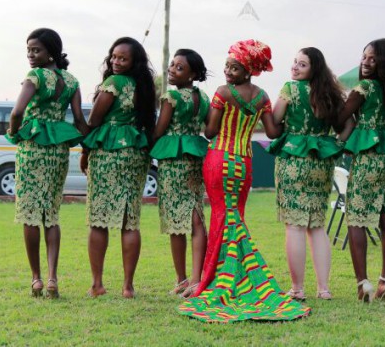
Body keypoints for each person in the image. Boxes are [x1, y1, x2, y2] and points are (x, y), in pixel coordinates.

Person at [179, 39, 310, 322]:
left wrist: (199, 116)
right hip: (244, 162)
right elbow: (273, 132)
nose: (227, 71)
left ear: (247, 69)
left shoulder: (223, 93)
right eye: (227, 65)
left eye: (234, 67)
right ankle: (235, 274)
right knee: (235, 217)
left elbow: (211, 131)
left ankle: (213, 279)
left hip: (219, 159)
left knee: (220, 219)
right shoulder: (262, 95)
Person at [6, 28, 88, 298]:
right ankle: (53, 278)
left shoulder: (35, 76)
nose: (31, 55)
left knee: (30, 214)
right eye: (28, 50)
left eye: (36, 50)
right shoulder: (72, 81)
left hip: (32, 149)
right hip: (57, 153)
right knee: (51, 216)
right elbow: (78, 120)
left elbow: (17, 111)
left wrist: (14, 132)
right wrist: (89, 146)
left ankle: (37, 279)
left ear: (51, 52)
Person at [267, 47, 346, 301]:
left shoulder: (290, 89)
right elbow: (348, 124)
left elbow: (275, 121)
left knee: (295, 226)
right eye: (294, 62)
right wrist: (338, 143)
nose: (295, 67)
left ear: (314, 68)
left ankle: (297, 289)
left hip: (293, 161)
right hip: (320, 163)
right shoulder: (329, 94)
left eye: (302, 64)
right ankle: (324, 288)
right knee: (317, 226)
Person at [81, 37, 156, 298]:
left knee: (98, 219)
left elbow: (94, 119)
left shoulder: (112, 83)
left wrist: (86, 151)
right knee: (129, 221)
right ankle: (127, 287)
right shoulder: (144, 87)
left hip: (109, 152)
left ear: (134, 62)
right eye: (114, 56)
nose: (116, 61)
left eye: (122, 58)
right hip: (135, 154)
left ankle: (97, 284)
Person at [336, 39, 385, 302]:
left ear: (384, 63)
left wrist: (353, 116)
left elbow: (339, 118)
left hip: (367, 158)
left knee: (356, 218)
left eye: (373, 59)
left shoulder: (363, 87)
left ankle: (363, 283)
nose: (365, 62)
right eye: (364, 57)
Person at [150, 49, 209, 298]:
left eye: (179, 67)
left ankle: (184, 279)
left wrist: (147, 146)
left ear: (193, 73)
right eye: (172, 65)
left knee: (177, 221)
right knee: (196, 214)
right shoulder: (204, 97)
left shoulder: (171, 97)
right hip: (195, 158)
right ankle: (196, 278)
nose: (172, 70)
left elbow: (160, 129)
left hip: (173, 162)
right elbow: (210, 128)